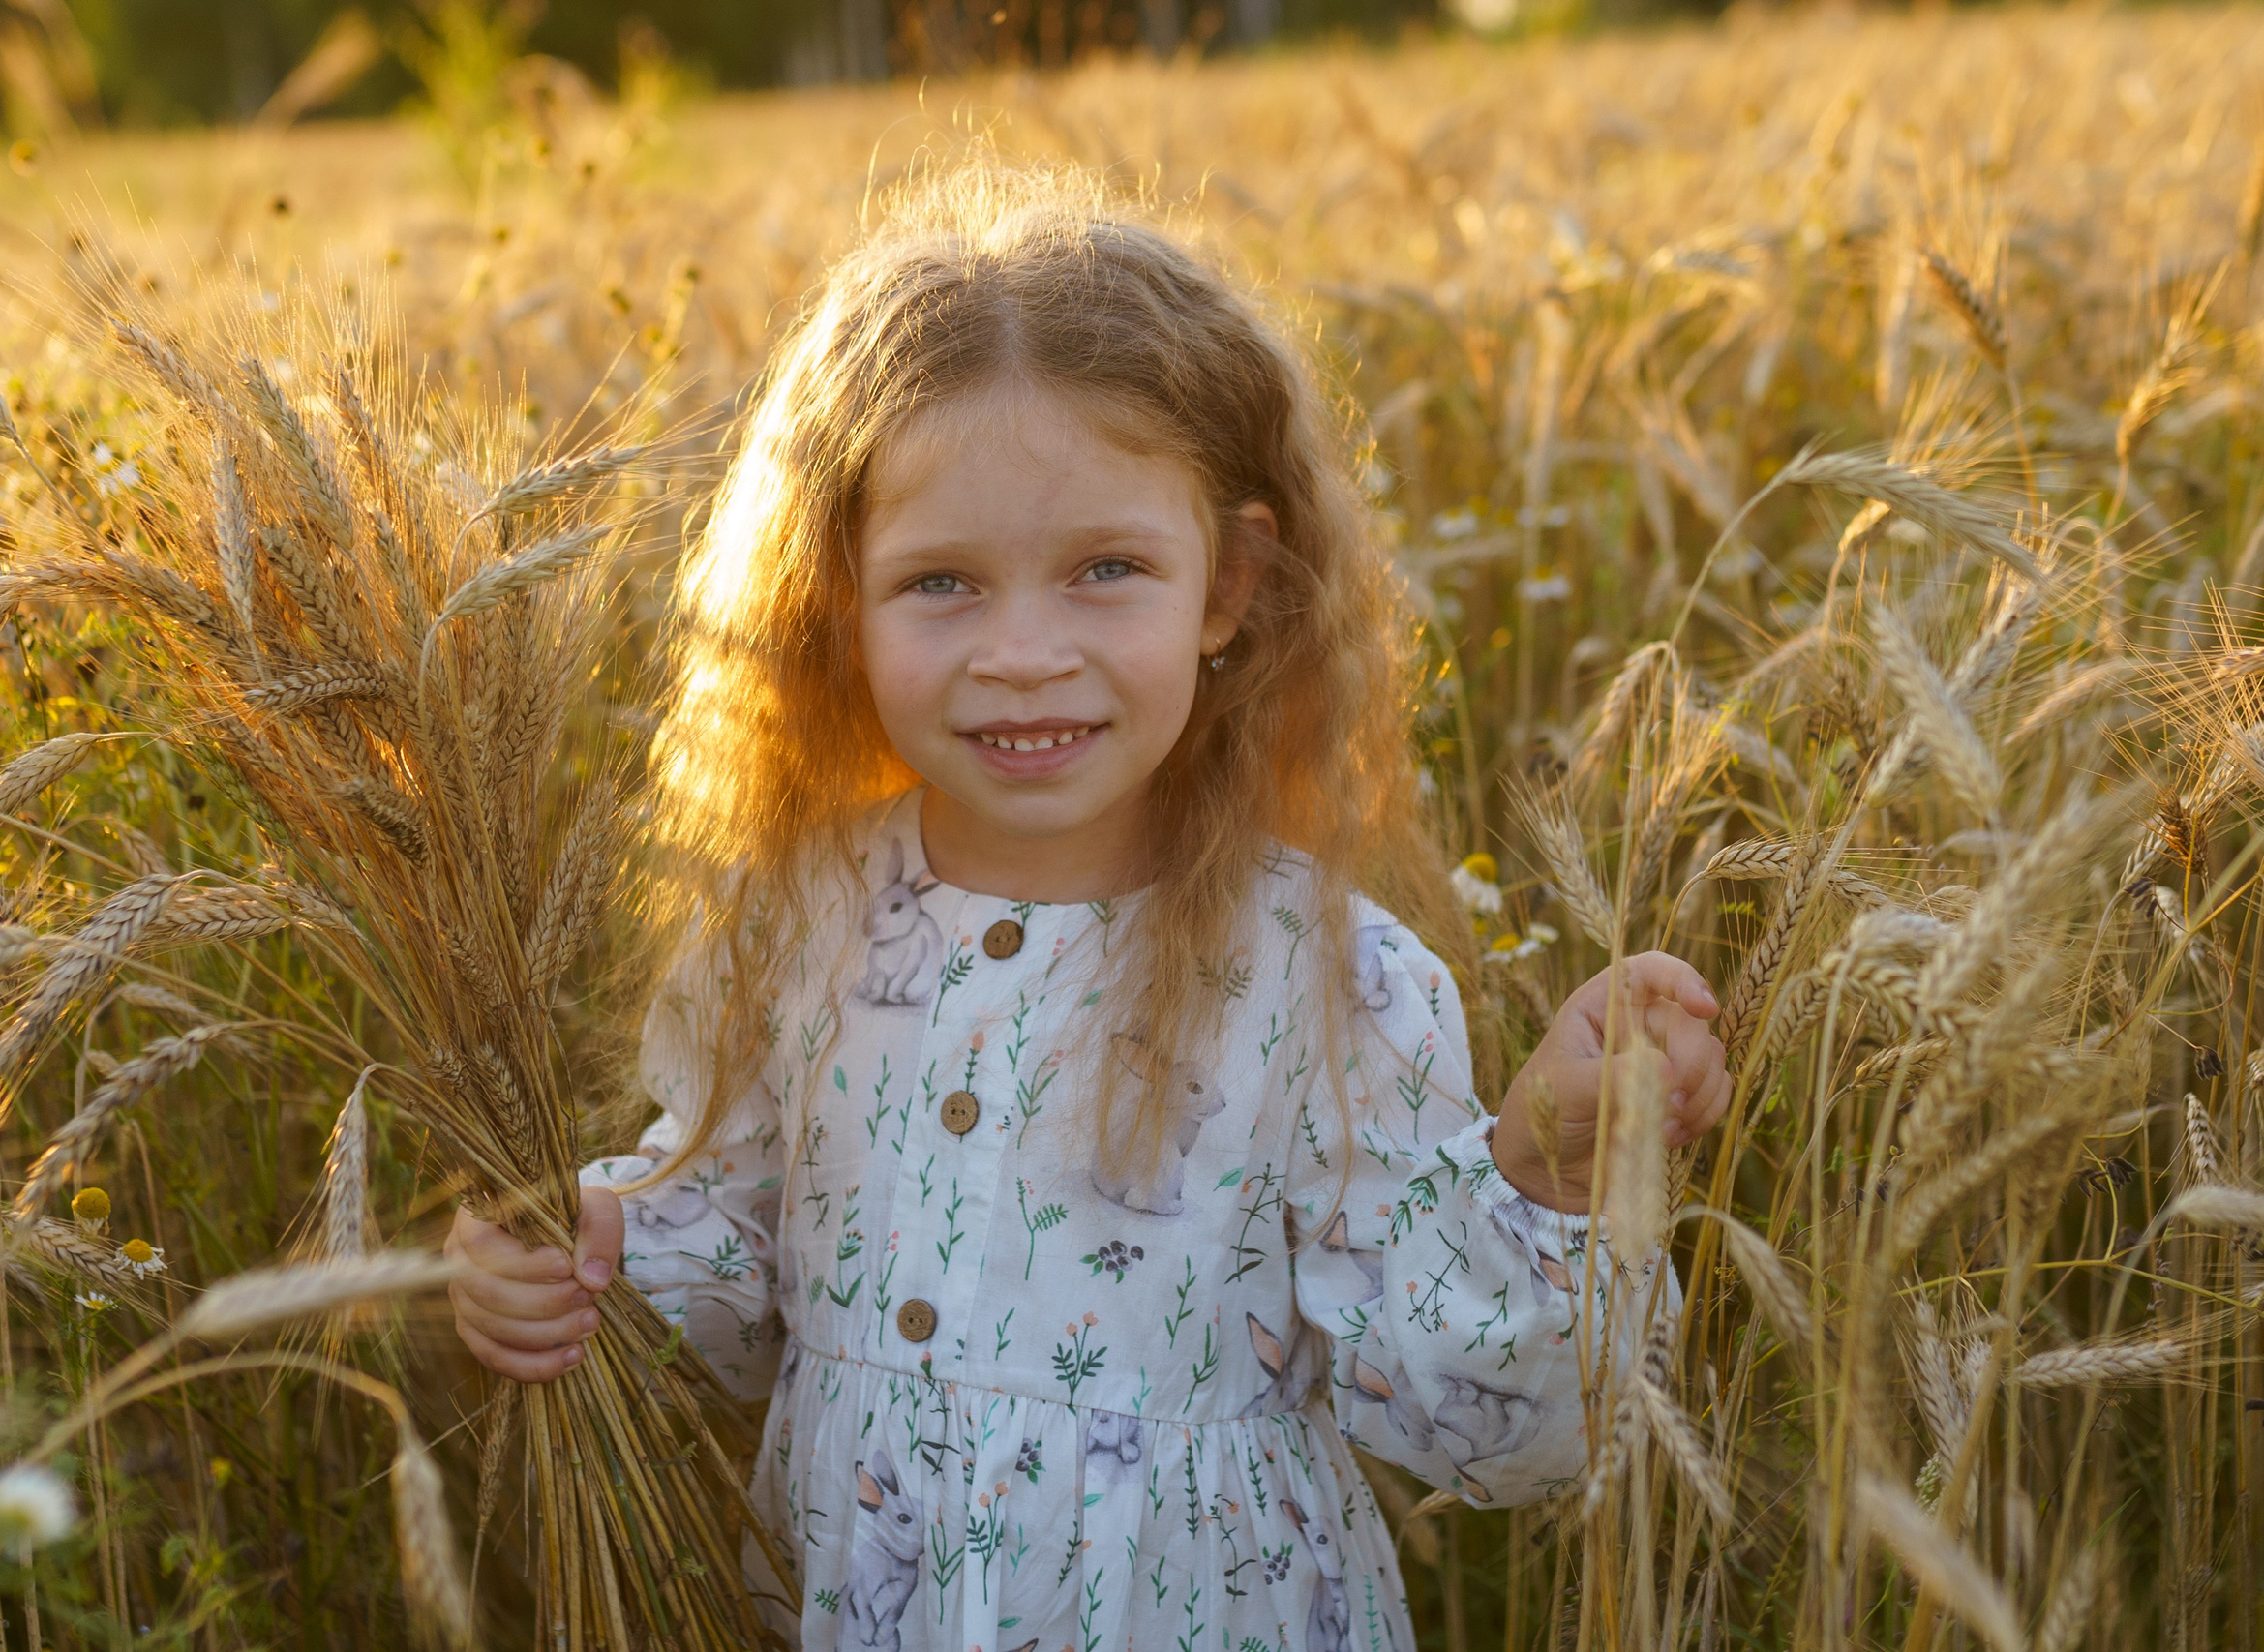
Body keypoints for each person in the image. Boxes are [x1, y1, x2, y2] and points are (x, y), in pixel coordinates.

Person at [444, 163, 1733, 1652]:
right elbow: (735, 1275)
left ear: (1229, 586)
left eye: (1106, 569)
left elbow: (1487, 1444)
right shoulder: (789, 922)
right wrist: (590, 1253)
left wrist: (1545, 1176)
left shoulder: (1322, 976)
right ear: (835, 603)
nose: (1025, 653)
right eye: (941, 585)